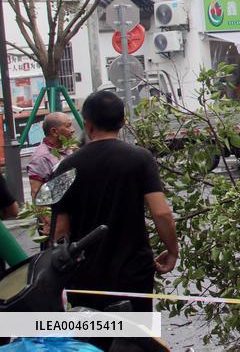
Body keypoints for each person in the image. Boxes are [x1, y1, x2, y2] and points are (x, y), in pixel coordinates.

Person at [51, 90, 178, 314]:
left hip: (86, 277)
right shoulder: (140, 158)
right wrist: (172, 250)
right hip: (133, 273)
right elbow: (161, 213)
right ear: (122, 122)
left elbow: (61, 230)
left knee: (93, 344)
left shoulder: (66, 167)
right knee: (135, 340)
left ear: (87, 125)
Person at [27, 112, 76, 240]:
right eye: (68, 126)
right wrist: (49, 223)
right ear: (54, 131)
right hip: (56, 223)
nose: (73, 130)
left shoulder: (68, 150)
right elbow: (36, 193)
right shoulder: (41, 157)